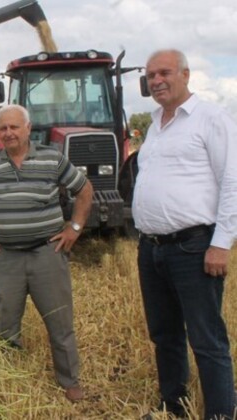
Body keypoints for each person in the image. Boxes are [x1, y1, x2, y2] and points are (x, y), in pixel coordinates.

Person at [0, 104, 94, 403]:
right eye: (3, 128)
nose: (8, 133)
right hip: (5, 258)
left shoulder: (52, 159)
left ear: (28, 129)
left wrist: (75, 228)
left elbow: (84, 190)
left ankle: (69, 382)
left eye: (14, 127)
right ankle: (8, 377)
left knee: (59, 321)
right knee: (6, 321)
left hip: (47, 254)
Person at [133, 49, 237, 419]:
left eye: (165, 72)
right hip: (152, 248)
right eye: (151, 75)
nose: (157, 80)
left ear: (186, 75)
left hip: (194, 246)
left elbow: (232, 182)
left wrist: (221, 244)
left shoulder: (211, 119)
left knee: (206, 339)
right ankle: (174, 406)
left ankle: (221, 413)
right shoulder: (155, 123)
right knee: (165, 335)